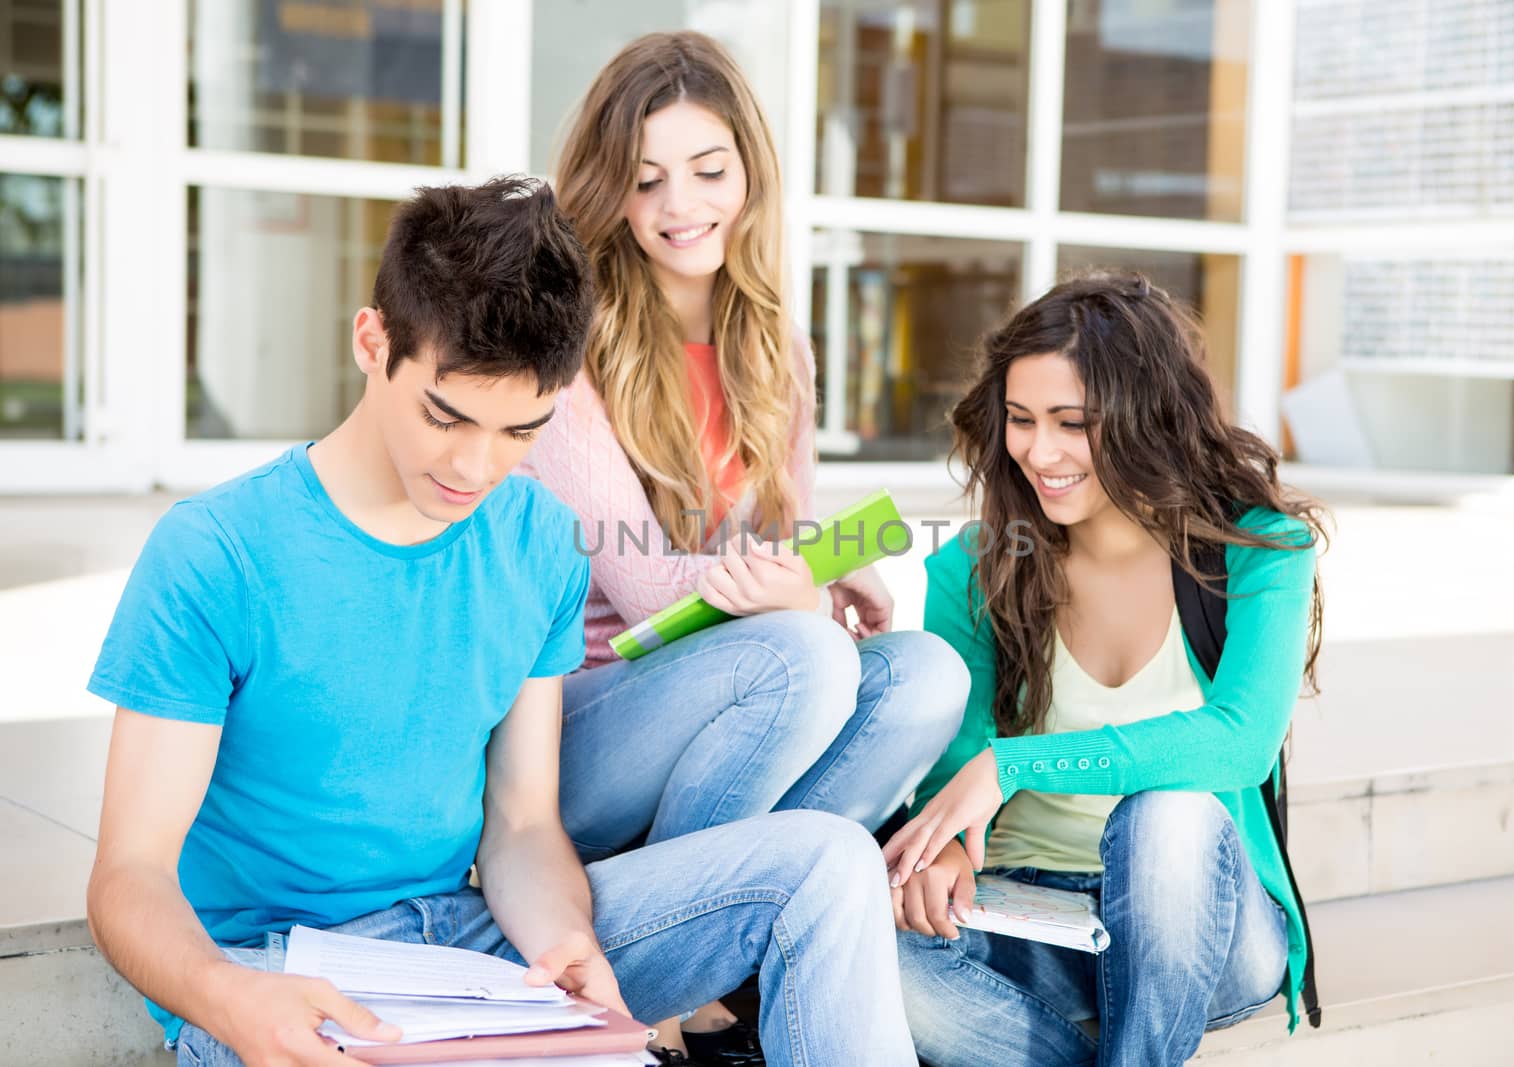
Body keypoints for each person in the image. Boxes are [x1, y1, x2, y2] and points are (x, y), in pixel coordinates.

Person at [83, 177, 917, 1067]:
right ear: (373, 342)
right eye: (447, 414)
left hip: (469, 951)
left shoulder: (538, 540)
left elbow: (519, 821)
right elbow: (127, 877)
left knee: (828, 863)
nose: (475, 467)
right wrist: (231, 1001)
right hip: (273, 977)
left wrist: (565, 942)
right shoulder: (218, 551)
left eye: (521, 430)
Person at [519, 32, 967, 1064]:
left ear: (750, 171)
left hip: (724, 711)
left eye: (709, 170)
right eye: (647, 180)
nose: (683, 205)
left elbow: (770, 542)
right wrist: (806, 575)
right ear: (612, 195)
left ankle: (727, 954)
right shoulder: (570, 350)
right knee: (804, 651)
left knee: (925, 676)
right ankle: (675, 988)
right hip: (585, 724)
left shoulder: (778, 346)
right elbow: (644, 589)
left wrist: (820, 557)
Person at [882, 270, 1327, 1067]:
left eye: (1071, 423)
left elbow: (1241, 741)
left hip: (1204, 922)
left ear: (1147, 417)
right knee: (867, 956)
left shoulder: (1260, 549)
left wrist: (1013, 763)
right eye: (1020, 420)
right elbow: (954, 758)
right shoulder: (976, 567)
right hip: (1026, 911)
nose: (1038, 452)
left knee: (1171, 814)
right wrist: (946, 849)